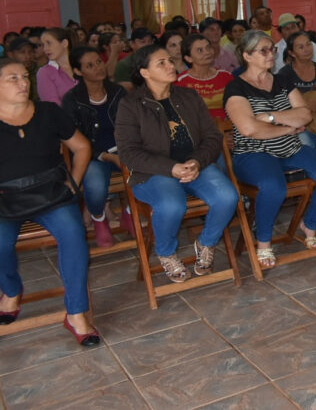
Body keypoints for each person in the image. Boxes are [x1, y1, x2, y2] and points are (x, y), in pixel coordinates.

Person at [115, 45, 239, 284]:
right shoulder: (131, 105)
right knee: (172, 205)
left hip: (195, 166)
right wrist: (170, 168)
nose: (170, 66)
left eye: (170, 61)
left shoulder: (189, 96)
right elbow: (128, 153)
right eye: (161, 63)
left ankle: (206, 242)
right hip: (154, 172)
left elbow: (212, 138)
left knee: (227, 197)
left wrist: (196, 161)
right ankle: (166, 253)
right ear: (144, 72)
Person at [0, 58, 101, 346]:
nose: (23, 83)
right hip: (5, 201)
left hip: (52, 194)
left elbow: (81, 147)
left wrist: (74, 182)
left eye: (24, 77)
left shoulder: (47, 111)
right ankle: (10, 290)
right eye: (13, 78)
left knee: (73, 235)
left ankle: (76, 313)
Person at [224, 30, 316, 270]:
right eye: (263, 50)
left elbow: (305, 114)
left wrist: (270, 116)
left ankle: (309, 224)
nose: (271, 54)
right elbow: (249, 129)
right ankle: (263, 241)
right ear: (247, 55)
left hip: (289, 148)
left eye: (273, 49)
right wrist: (286, 128)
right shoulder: (236, 87)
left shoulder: (282, 80)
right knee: (273, 186)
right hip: (252, 153)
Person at [62, 46, 128, 247]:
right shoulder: (72, 100)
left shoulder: (118, 92)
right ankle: (99, 219)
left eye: (99, 62)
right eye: (90, 65)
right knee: (95, 184)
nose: (98, 68)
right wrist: (107, 156)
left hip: (123, 150)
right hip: (92, 156)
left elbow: (132, 124)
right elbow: (77, 140)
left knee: (148, 175)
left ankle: (129, 213)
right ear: (78, 72)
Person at [276, 31, 316, 148]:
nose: (307, 49)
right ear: (292, 53)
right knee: (305, 142)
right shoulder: (285, 73)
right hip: (299, 123)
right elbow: (285, 104)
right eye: (300, 47)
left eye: (308, 44)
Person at [177, 34, 234, 121]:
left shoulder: (226, 76)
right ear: (188, 58)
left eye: (208, 48)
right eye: (200, 50)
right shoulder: (180, 82)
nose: (207, 52)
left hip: (227, 127)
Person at [37, 28, 77, 105]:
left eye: (49, 43)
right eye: (43, 45)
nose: (45, 49)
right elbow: (52, 105)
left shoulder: (80, 65)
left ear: (64, 43)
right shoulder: (45, 72)